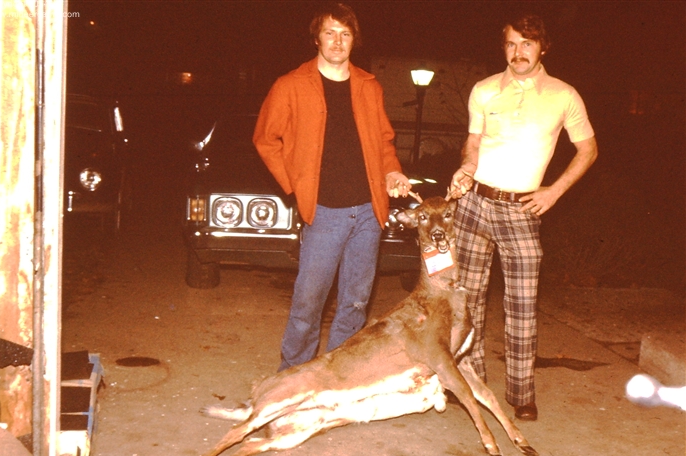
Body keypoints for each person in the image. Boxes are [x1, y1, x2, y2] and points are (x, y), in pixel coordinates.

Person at [449, 13, 598, 421]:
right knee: (467, 301)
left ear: (542, 47)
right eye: (511, 44)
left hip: (522, 210)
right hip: (474, 205)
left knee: (522, 306)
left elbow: (588, 150)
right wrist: (465, 167)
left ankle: (521, 394)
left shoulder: (564, 95)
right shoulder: (483, 90)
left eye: (527, 44)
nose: (518, 52)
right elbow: (474, 141)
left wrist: (555, 191)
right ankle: (471, 384)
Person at [253, 2, 411, 372]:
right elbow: (265, 139)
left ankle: (336, 378)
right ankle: (292, 379)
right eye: (330, 33)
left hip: (369, 214)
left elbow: (385, 142)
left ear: (354, 41)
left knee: (355, 304)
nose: (338, 42)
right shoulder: (290, 85)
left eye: (345, 34)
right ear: (316, 38)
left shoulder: (369, 87)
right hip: (324, 212)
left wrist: (392, 172)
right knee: (309, 304)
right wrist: (295, 183)